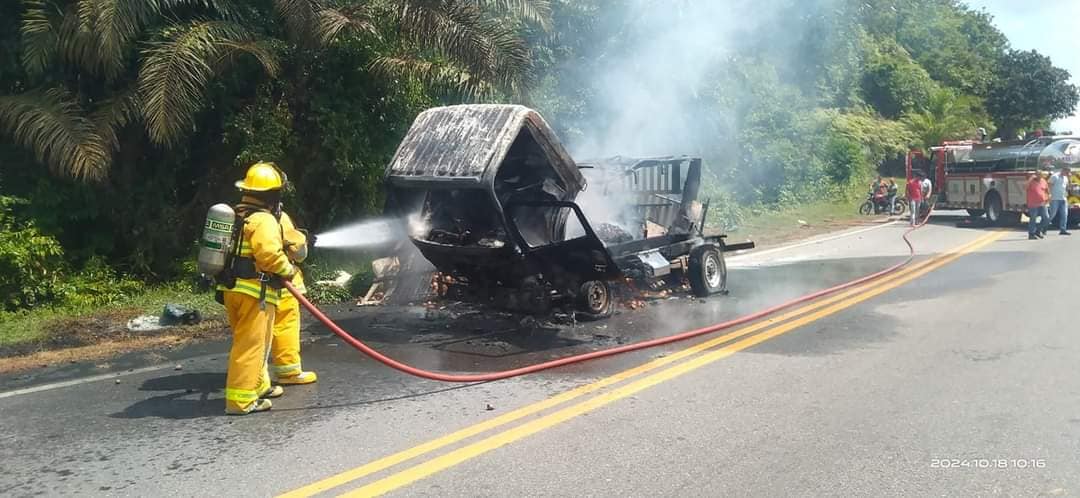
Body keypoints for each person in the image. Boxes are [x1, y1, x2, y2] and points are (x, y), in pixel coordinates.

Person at [218, 162, 297, 415]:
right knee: (250, 346)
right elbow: (269, 256)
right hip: (254, 293)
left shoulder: (236, 215)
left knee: (256, 343)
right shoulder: (263, 220)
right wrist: (289, 270)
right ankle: (240, 401)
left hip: (233, 289)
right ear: (271, 195)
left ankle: (259, 386)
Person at [269, 208, 319, 385]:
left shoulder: (239, 215)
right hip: (281, 284)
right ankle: (288, 372)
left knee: (255, 333)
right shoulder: (277, 216)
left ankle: (254, 377)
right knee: (285, 325)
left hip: (246, 286)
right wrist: (304, 240)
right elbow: (298, 253)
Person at [1048, 166, 1071, 236]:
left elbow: (1066, 187)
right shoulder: (1055, 176)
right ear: (1063, 170)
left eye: (1068, 173)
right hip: (1055, 198)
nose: (1067, 174)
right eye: (1066, 172)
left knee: (1064, 215)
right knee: (1052, 214)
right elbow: (1049, 185)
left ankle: (1063, 229)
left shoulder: (1066, 178)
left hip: (1063, 199)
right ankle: (1043, 227)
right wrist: (1048, 195)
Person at [1026, 172, 1050, 240]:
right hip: (1033, 203)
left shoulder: (1043, 181)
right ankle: (1031, 234)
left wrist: (1048, 197)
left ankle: (1038, 231)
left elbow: (1047, 190)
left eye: (1040, 174)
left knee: (1046, 218)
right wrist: (1030, 178)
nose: (1039, 176)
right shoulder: (1031, 181)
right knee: (1033, 218)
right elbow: (1025, 187)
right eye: (1037, 174)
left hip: (1042, 203)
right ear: (1035, 175)